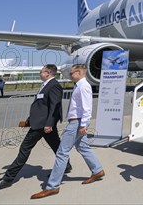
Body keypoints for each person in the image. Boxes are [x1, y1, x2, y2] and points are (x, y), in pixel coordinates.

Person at [0, 65, 72, 190]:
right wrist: (30, 119)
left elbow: (55, 107)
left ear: (48, 73)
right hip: (41, 123)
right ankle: (66, 166)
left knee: (24, 149)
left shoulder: (54, 85)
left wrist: (49, 123)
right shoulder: (46, 85)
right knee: (57, 146)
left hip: (43, 125)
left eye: (41, 71)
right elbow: (41, 105)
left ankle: (8, 179)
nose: (39, 73)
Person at [31, 64, 104, 199]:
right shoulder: (79, 86)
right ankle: (97, 170)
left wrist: (83, 125)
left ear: (79, 72)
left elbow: (87, 108)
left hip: (77, 123)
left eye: (71, 73)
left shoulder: (83, 86)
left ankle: (52, 186)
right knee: (83, 147)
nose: (69, 75)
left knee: (62, 153)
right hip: (77, 122)